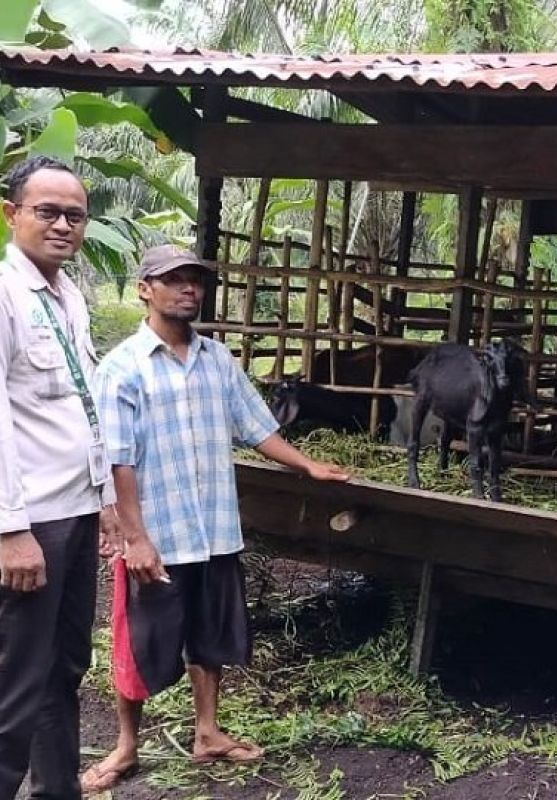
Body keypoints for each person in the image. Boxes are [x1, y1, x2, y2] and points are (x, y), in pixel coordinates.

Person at [81, 245, 349, 792]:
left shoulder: (218, 360)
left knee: (209, 636)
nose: (189, 290)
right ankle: (126, 747)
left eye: (195, 281)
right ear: (144, 289)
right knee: (138, 643)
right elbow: (118, 461)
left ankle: (208, 733)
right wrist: (135, 538)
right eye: (174, 280)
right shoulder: (123, 368)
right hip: (157, 535)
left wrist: (307, 465)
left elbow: (256, 427)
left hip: (215, 530)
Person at [0, 155, 119, 800]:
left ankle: (57, 792)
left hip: (72, 512)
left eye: (75, 215)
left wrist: (103, 498)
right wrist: (9, 530)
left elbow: (79, 405)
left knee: (64, 667)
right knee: (16, 679)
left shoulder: (68, 296)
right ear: (12, 214)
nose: (63, 225)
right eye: (47, 211)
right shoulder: (4, 296)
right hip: (30, 521)